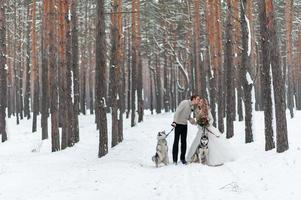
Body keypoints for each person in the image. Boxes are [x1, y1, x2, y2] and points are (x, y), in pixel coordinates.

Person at [186, 98, 237, 166]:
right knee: (196, 143)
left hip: (208, 129)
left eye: (201, 101)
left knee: (211, 144)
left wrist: (207, 124)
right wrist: (198, 123)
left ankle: (213, 159)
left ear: (204, 103)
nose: (199, 103)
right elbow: (197, 120)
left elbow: (211, 120)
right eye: (199, 101)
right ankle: (192, 157)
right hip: (201, 129)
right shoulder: (196, 110)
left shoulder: (207, 110)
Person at [171, 95, 200, 165]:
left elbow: (188, 117)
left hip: (184, 125)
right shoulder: (184, 103)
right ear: (193, 99)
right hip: (178, 124)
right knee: (176, 141)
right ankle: (174, 160)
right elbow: (177, 112)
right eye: (197, 99)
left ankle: (182, 159)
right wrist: (174, 122)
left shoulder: (192, 107)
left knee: (184, 142)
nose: (198, 101)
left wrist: (194, 122)